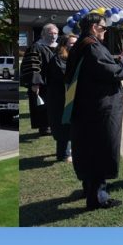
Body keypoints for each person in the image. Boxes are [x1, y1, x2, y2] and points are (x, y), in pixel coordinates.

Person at [63, 11, 123, 210]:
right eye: (104, 28)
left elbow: (100, 65)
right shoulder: (91, 47)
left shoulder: (81, 45)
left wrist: (119, 57)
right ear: (95, 27)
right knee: (100, 150)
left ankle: (90, 188)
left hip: (86, 107)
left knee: (88, 149)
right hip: (98, 109)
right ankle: (98, 197)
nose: (105, 32)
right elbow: (111, 72)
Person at [43, 33, 77, 162]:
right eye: (72, 43)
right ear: (64, 45)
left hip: (69, 98)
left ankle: (68, 151)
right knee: (63, 126)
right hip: (59, 99)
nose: (74, 46)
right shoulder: (57, 59)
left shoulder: (71, 58)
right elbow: (66, 77)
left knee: (70, 125)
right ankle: (63, 154)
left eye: (76, 43)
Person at [20, 23, 58, 136]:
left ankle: (53, 125)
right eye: (50, 33)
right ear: (43, 34)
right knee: (42, 105)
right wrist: (35, 83)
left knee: (54, 105)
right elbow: (32, 66)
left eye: (55, 33)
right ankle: (44, 127)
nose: (53, 36)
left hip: (56, 83)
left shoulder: (60, 47)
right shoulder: (36, 47)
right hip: (41, 83)